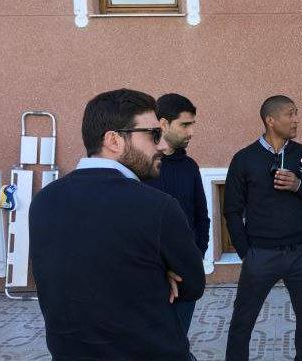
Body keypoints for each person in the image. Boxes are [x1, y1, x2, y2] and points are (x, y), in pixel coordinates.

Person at [29, 89, 205, 361]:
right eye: (153, 135)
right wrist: (162, 273)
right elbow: (193, 285)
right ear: (113, 140)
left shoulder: (43, 201)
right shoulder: (158, 206)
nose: (160, 145)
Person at [223, 95, 302, 361]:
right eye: (290, 114)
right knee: (242, 324)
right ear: (270, 120)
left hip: (301, 253)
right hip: (260, 255)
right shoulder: (244, 159)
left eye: (297, 113)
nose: (296, 119)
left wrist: (300, 186)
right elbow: (231, 210)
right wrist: (246, 254)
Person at [145, 93, 210, 343]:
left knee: (177, 343)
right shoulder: (143, 167)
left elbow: (201, 218)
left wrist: (195, 258)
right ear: (163, 124)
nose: (191, 131)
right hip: (150, 278)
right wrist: (160, 270)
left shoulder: (189, 166)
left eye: (193, 124)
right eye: (185, 124)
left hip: (184, 277)